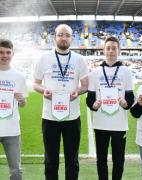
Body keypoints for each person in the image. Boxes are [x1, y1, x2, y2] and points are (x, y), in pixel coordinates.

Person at [33, 24, 88, 180]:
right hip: (50, 117)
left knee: (72, 159)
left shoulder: (80, 60)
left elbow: (85, 86)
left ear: (72, 38)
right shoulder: (44, 59)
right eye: (60, 35)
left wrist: (78, 91)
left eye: (67, 35)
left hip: (72, 116)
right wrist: (44, 90)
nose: (64, 38)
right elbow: (35, 83)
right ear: (55, 37)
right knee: (50, 159)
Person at [86, 36, 134, 180]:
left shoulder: (126, 71)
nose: (111, 51)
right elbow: (90, 98)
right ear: (103, 50)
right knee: (101, 159)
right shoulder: (95, 72)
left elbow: (130, 97)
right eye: (108, 48)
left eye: (114, 48)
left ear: (119, 50)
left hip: (119, 124)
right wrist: (93, 105)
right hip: (101, 123)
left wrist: (126, 104)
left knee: (118, 160)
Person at [0, 39, 28, 180]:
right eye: (1, 52)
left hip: (12, 130)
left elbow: (23, 104)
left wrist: (21, 99)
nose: (4, 55)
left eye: (8, 52)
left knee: (16, 171)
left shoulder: (19, 77)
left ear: (12, 54)